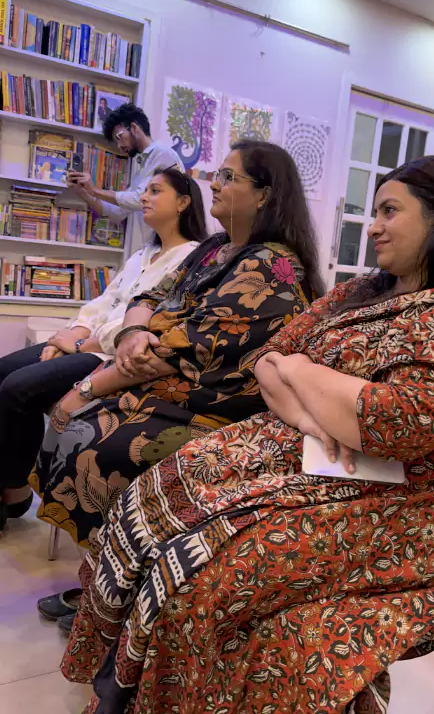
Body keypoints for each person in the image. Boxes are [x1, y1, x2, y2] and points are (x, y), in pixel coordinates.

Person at [59, 156, 434, 714]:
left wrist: (301, 372)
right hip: (319, 456)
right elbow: (266, 362)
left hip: (408, 504)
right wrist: (307, 412)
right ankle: (121, 692)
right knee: (157, 499)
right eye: (374, 211)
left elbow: (388, 425)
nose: (372, 225)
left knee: (210, 575)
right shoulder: (365, 290)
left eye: (389, 211)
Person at [33, 140, 323, 561]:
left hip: (210, 400)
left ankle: (118, 579)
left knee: (100, 442)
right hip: (161, 381)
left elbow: (178, 350)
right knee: (77, 424)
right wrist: (133, 330)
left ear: (264, 194)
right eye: (217, 173)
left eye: (228, 176)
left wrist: (88, 388)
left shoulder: (271, 265)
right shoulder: (214, 246)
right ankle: (103, 575)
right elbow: (149, 297)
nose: (214, 183)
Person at [0, 167, 207, 533]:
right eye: (145, 191)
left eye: (155, 191)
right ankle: (11, 488)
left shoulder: (190, 260)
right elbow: (103, 303)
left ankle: (13, 489)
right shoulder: (143, 255)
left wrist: (78, 344)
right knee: (3, 372)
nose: (144, 197)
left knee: (18, 389)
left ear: (183, 202)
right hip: (85, 344)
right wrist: (65, 336)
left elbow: (144, 324)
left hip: (110, 358)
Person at [68, 103, 183, 256]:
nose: (119, 146)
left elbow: (139, 200)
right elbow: (118, 213)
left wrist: (94, 190)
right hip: (152, 250)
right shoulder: (141, 166)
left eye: (119, 137)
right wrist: (83, 193)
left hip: (171, 251)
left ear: (135, 128)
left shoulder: (163, 155)